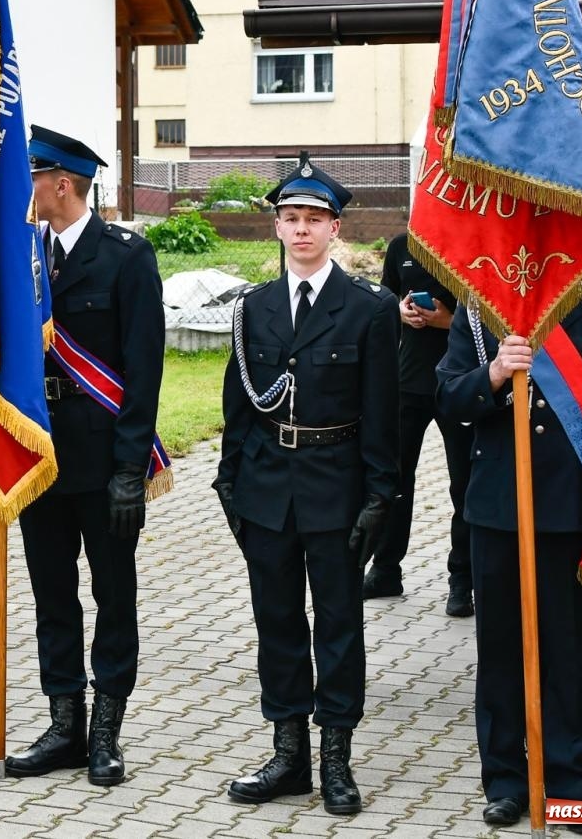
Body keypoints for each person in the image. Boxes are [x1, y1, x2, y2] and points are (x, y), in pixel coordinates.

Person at [216, 159, 399, 816]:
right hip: (267, 488)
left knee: (339, 625)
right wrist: (229, 482)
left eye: (314, 220)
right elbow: (238, 405)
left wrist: (381, 495)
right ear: (277, 227)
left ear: (334, 228)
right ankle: (289, 754)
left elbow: (383, 413)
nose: (301, 230)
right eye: (290, 218)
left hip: (337, 487)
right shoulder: (253, 307)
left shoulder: (370, 309)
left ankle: (336, 759)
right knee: (278, 622)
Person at [437, 275, 582, 831]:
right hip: (498, 509)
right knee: (500, 653)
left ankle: (572, 788)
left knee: (572, 654)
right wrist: (493, 374)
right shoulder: (482, 306)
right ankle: (506, 783)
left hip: (573, 511)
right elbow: (448, 397)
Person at [3, 126, 164, 787]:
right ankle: (64, 724)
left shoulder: (125, 256)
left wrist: (130, 469)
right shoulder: (22, 255)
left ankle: (105, 732)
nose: (24, 188)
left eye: (32, 177)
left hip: (102, 460)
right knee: (52, 597)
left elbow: (144, 372)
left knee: (112, 595)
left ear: (62, 184)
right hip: (40, 456)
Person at [366, 231, 474, 615]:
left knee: (465, 485)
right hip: (409, 381)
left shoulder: (473, 244)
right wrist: (401, 311)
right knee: (394, 479)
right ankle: (385, 569)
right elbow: (385, 299)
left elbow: (492, 317)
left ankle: (463, 580)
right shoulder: (401, 246)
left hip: (461, 382)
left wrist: (450, 321)